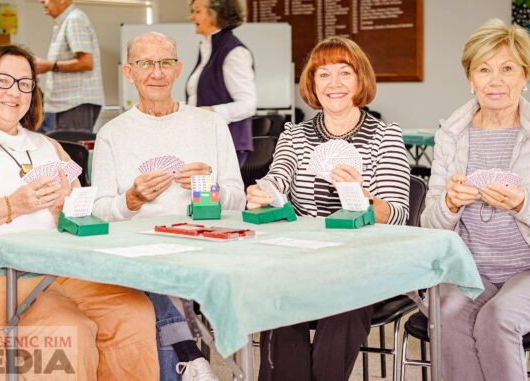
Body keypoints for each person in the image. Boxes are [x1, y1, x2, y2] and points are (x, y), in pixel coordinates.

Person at [0, 45, 158, 380]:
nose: (14, 92)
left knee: (131, 310)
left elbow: (79, 220)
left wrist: (66, 209)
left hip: (54, 269)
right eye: (3, 81)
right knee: (66, 327)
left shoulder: (48, 146)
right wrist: (11, 206)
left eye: (25, 83)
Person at [421, 19, 530, 381]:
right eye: (484, 69)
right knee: (447, 316)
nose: (495, 79)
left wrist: (523, 204)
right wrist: (449, 204)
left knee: (498, 319)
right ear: (470, 78)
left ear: (525, 75)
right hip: (472, 269)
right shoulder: (450, 135)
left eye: (507, 68)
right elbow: (429, 224)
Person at [246, 36, 410, 381]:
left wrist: (363, 198)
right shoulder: (294, 135)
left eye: (344, 73)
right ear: (312, 84)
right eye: (323, 74)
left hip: (363, 263)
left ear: (360, 80)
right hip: (303, 258)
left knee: (344, 298)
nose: (333, 83)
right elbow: (279, 177)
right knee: (278, 296)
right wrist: (265, 192)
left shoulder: (386, 136)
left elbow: (397, 213)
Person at [92, 32, 245, 381]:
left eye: (164, 63)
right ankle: (190, 358)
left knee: (161, 281)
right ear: (129, 73)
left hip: (203, 245)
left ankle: (189, 359)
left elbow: (238, 199)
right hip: (137, 253)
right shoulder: (112, 134)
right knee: (156, 272)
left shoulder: (210, 125)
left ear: (177, 70)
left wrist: (212, 189)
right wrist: (130, 201)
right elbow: (99, 208)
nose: (156, 73)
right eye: (146, 64)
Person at [187, 0, 256, 167]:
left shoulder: (234, 52)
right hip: (206, 143)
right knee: (201, 194)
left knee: (213, 194)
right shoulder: (208, 48)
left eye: (197, 11)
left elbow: (248, 105)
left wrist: (210, 111)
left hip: (226, 146)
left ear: (215, 14)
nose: (191, 17)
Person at [35, 0, 104, 132]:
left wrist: (49, 65)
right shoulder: (65, 21)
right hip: (65, 104)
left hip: (75, 103)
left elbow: (86, 63)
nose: (42, 1)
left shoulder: (74, 20)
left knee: (71, 151)